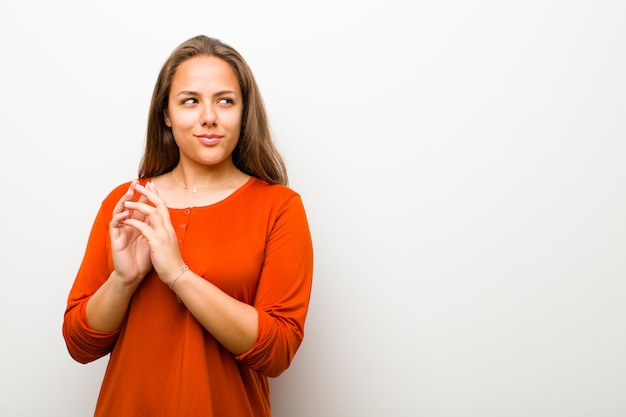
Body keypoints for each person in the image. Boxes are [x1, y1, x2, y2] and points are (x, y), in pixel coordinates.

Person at [62, 35, 314, 417]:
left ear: (245, 113)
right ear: (166, 113)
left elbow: (277, 352)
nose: (208, 116)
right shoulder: (128, 203)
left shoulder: (279, 207)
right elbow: (80, 345)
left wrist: (178, 274)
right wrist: (124, 280)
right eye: (190, 100)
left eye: (225, 100)